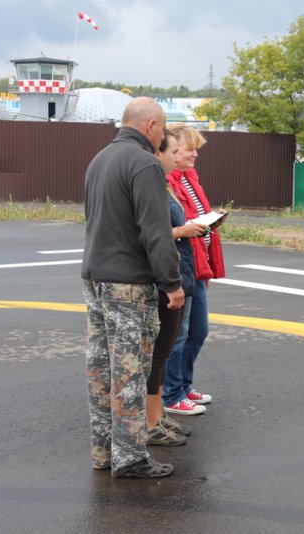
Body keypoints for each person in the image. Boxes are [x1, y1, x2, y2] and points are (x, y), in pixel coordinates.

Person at [82, 97, 184, 479]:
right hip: (127, 283)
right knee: (130, 369)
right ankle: (130, 458)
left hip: (95, 276)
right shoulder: (144, 163)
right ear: (152, 125)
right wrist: (171, 283)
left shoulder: (100, 159)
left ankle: (103, 450)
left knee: (100, 367)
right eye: (163, 128)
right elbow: (155, 231)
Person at [144, 131, 209, 446]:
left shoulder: (173, 182)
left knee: (184, 336)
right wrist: (183, 231)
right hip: (170, 273)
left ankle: (163, 409)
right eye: (183, 151)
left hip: (185, 268)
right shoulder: (158, 184)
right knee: (166, 346)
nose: (190, 156)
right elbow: (151, 233)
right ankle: (165, 403)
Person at [163, 124, 227, 416]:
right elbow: (176, 226)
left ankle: (182, 386)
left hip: (196, 266)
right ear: (173, 152)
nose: (194, 153)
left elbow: (195, 220)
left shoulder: (190, 178)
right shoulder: (167, 182)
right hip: (183, 266)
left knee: (197, 331)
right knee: (180, 333)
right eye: (188, 148)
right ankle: (171, 393)